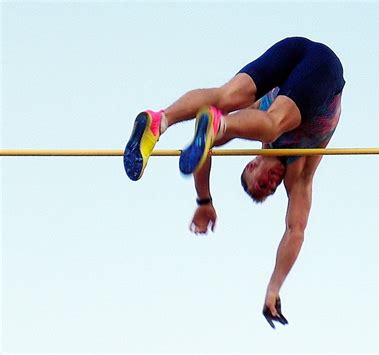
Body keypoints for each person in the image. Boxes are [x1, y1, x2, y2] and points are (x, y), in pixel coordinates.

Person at [124, 37, 345, 328]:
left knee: (243, 111)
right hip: (319, 70)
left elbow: (294, 229)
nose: (272, 185)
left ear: (252, 164)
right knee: (229, 100)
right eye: (269, 189)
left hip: (311, 61)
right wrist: (274, 288)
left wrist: (204, 200)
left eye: (262, 186)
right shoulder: (298, 171)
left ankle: (196, 121)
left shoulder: (277, 147)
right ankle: (159, 121)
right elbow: (296, 230)